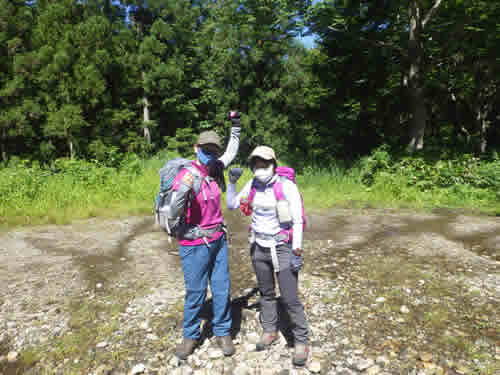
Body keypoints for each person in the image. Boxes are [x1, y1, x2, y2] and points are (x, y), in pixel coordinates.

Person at [226, 146, 310, 367]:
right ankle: (270, 330)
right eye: (256, 163)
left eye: (264, 163)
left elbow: (299, 220)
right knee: (266, 292)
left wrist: (297, 250)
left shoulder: (286, 186)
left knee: (290, 297)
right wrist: (232, 183)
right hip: (258, 246)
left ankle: (301, 341)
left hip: (282, 247)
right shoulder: (252, 184)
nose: (260, 167)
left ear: (273, 164)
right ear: (252, 165)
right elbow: (232, 204)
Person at [171, 112, 241, 360]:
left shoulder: (214, 168)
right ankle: (190, 336)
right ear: (196, 148)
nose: (210, 153)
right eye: (206, 149)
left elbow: (231, 151)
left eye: (213, 149)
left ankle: (222, 331)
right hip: (194, 244)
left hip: (218, 240)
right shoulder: (185, 174)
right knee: (196, 291)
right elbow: (173, 212)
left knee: (222, 288)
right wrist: (184, 189)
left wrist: (236, 126)